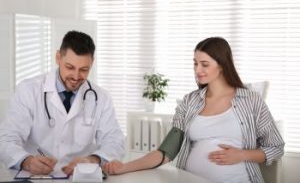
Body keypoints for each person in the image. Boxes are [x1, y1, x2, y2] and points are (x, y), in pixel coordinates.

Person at [103, 37, 284, 183]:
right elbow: (166, 151)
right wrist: (124, 167)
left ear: (221, 65)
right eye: (195, 63)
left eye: (204, 64)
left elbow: (276, 147)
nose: (198, 70)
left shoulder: (250, 100)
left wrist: (241, 155)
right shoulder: (190, 101)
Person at [0, 30, 125, 175]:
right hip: (35, 176)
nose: (76, 76)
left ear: (92, 63)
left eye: (84, 69)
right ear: (58, 57)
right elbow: (6, 139)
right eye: (70, 67)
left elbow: (115, 141)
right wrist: (26, 161)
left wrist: (92, 159)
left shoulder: (101, 97)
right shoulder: (28, 90)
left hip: (80, 176)